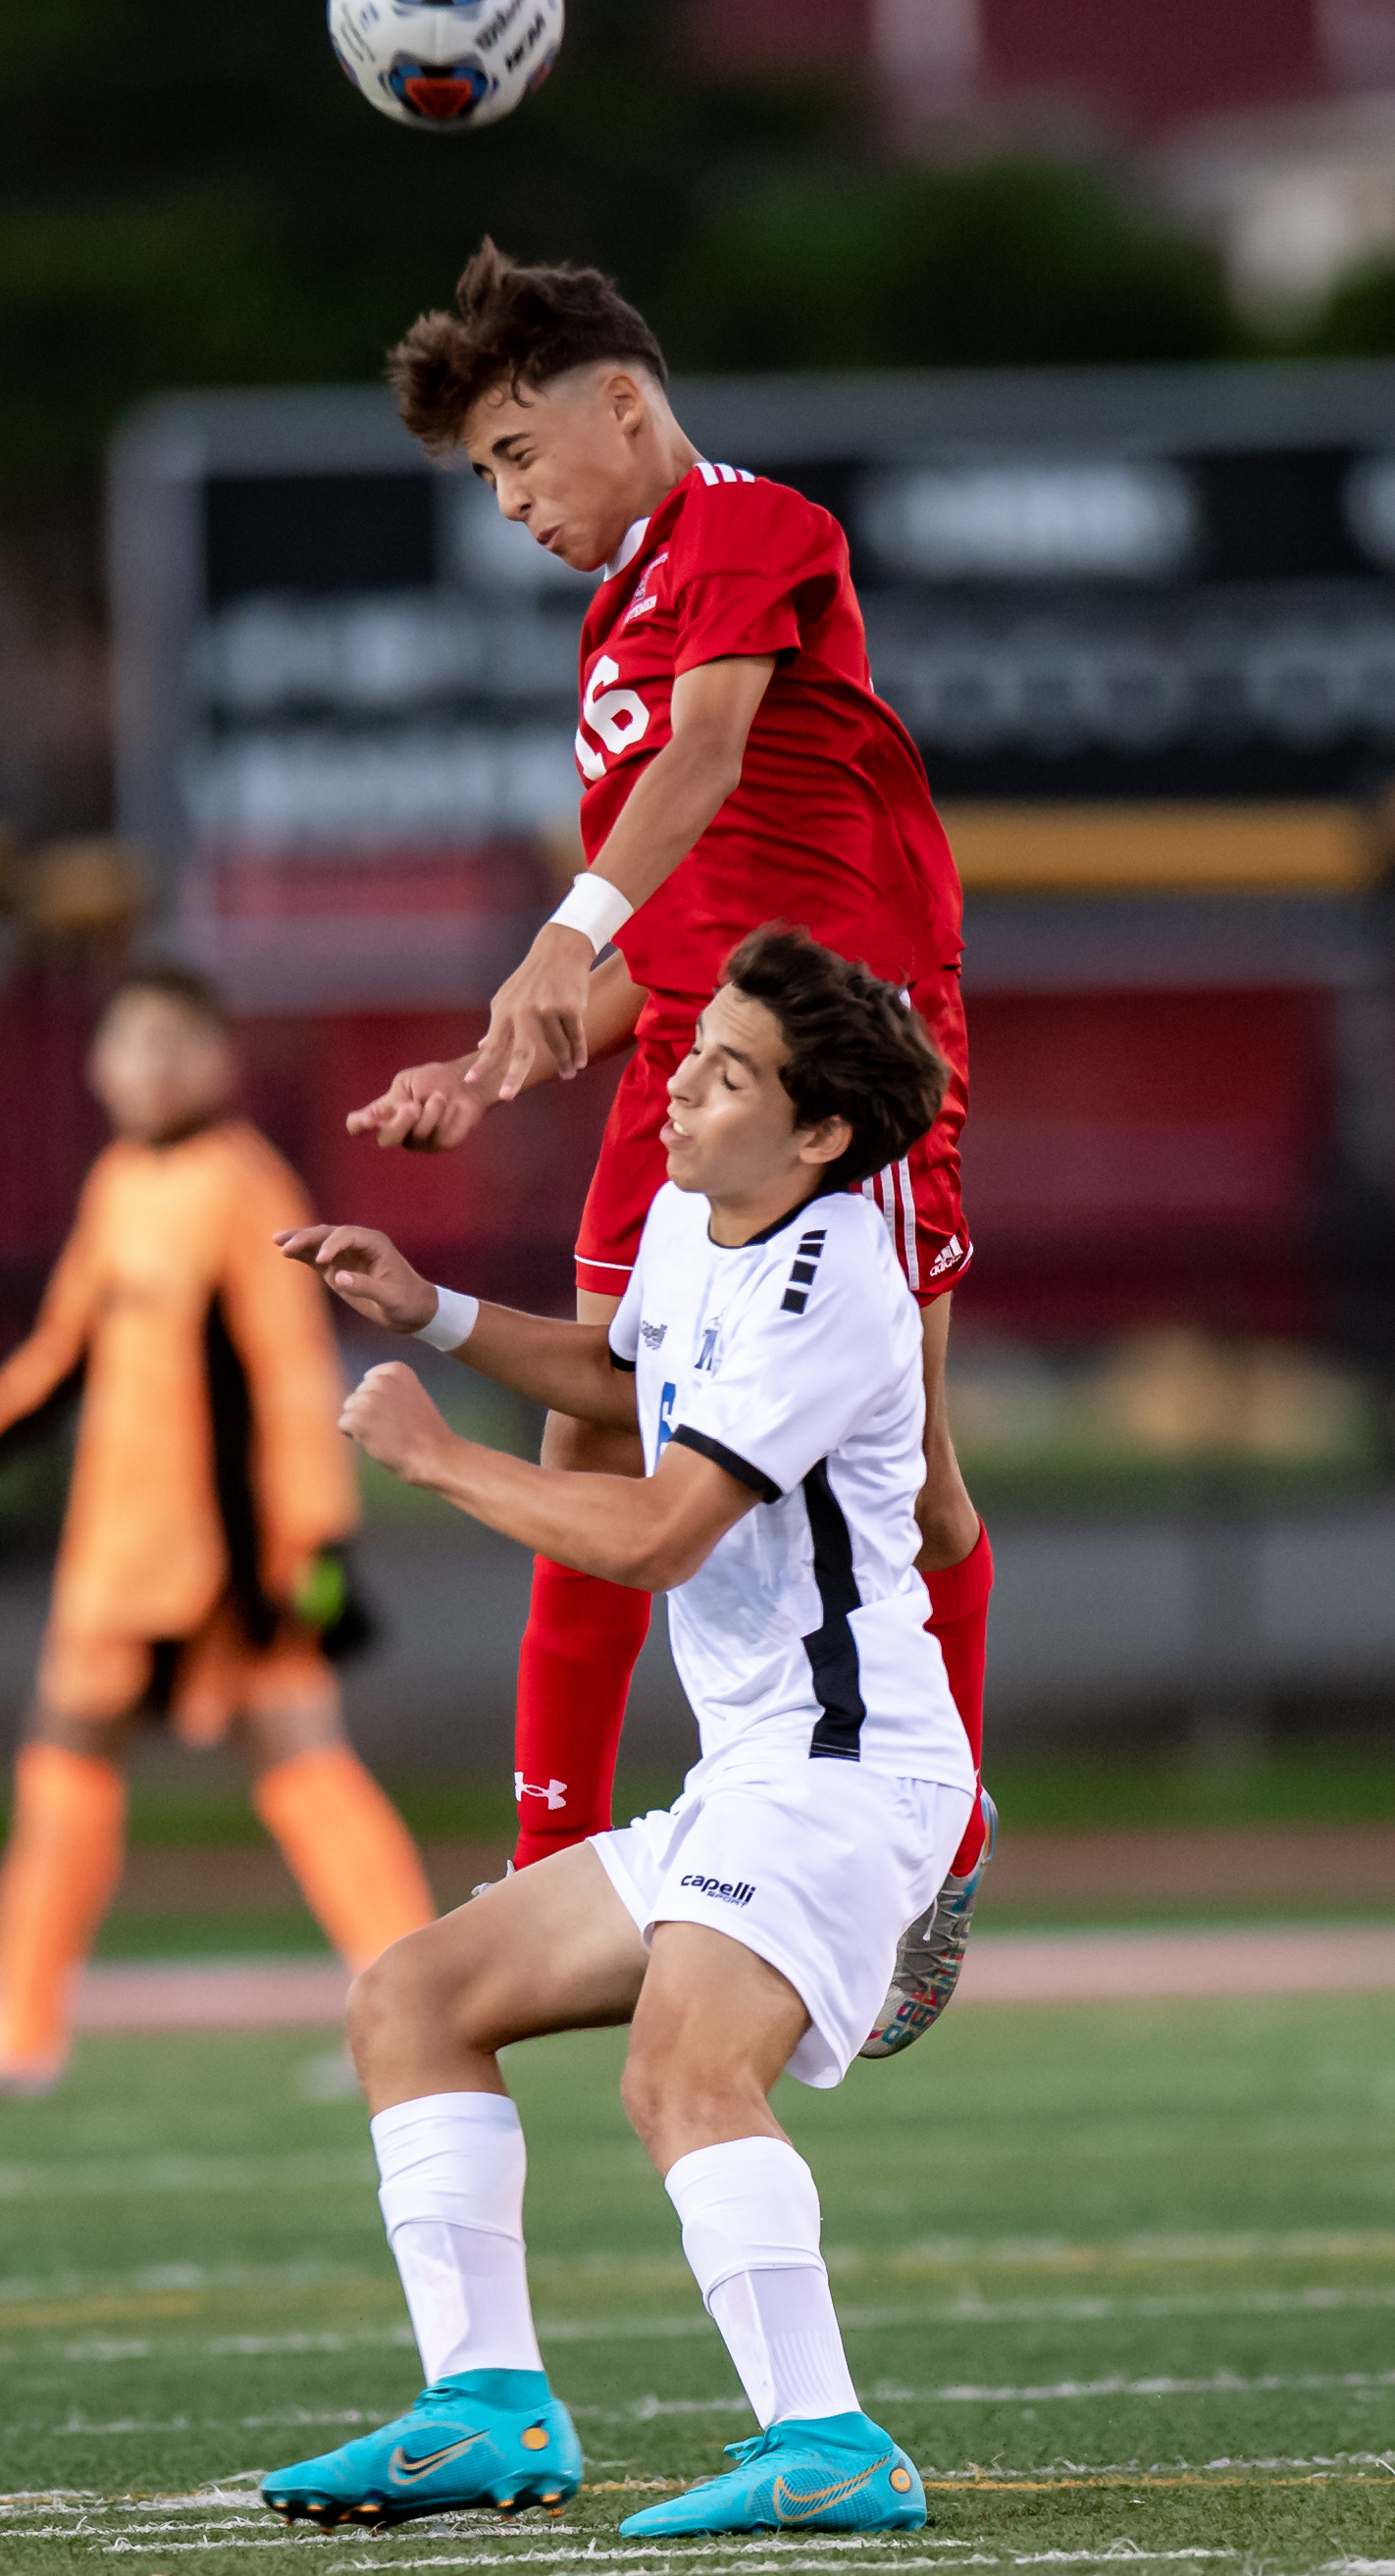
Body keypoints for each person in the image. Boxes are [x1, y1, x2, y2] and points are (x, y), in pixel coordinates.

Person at [350, 241, 991, 2052]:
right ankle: (543, 1846)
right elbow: (665, 927)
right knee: (592, 1411)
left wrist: (561, 936)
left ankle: (934, 1849)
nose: (511, 500)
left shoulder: (748, 527)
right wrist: (498, 1056)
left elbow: (703, 762)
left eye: (515, 453)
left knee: (920, 1486)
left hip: (848, 1065)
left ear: (616, 399)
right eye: (483, 476)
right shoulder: (606, 614)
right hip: (700, 1063)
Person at [265, 927, 973, 2534]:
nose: (675, 1089)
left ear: (817, 1138)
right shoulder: (693, 1216)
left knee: (680, 2075)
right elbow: (622, 1366)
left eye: (723, 1073)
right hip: (756, 1778)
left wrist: (437, 1460)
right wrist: (431, 1309)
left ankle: (831, 2443)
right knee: (414, 1997)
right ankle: (488, 2411)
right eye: (684, 1053)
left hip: (851, 1778)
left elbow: (660, 1531)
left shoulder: (831, 1281)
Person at [0, 966, 436, 2100]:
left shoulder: (244, 1187)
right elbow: (64, 1346)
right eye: (132, 1042)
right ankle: (23, 2019)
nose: (153, 1065)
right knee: (100, 1753)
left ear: (219, 1059)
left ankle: (412, 2012)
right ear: (98, 1063)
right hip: (119, 1545)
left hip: (234, 1554)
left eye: (178, 1043)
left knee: (284, 1755)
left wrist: (320, 1546)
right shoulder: (121, 1180)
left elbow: (287, 1379)